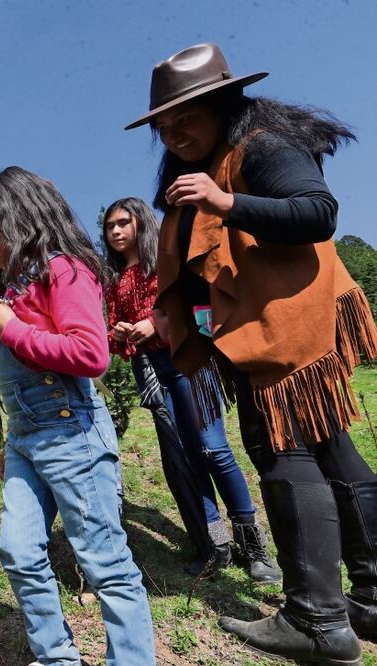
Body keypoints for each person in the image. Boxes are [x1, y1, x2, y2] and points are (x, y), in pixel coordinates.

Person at [127, 42, 377, 663]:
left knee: (283, 451)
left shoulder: (261, 146)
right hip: (269, 328)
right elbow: (201, 266)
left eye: (188, 114)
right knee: (333, 450)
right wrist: (168, 317)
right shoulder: (207, 165)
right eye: (165, 122)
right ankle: (368, 602)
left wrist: (227, 202)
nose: (175, 130)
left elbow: (317, 213)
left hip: (290, 328)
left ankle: (317, 620)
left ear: (224, 103)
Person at [0, 167, 155, 664]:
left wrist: (10, 330)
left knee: (105, 563)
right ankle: (56, 657)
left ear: (15, 220)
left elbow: (91, 354)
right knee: (18, 550)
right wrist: (14, 446)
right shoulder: (18, 286)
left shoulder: (64, 270)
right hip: (28, 442)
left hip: (72, 434)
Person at [102, 196, 280, 583]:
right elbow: (117, 332)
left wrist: (154, 322)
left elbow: (187, 301)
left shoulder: (163, 263)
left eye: (122, 223)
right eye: (109, 226)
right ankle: (214, 545)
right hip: (149, 368)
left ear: (141, 224)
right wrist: (120, 333)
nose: (115, 231)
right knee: (185, 455)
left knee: (212, 448)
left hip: (188, 358)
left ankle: (253, 545)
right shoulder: (114, 278)